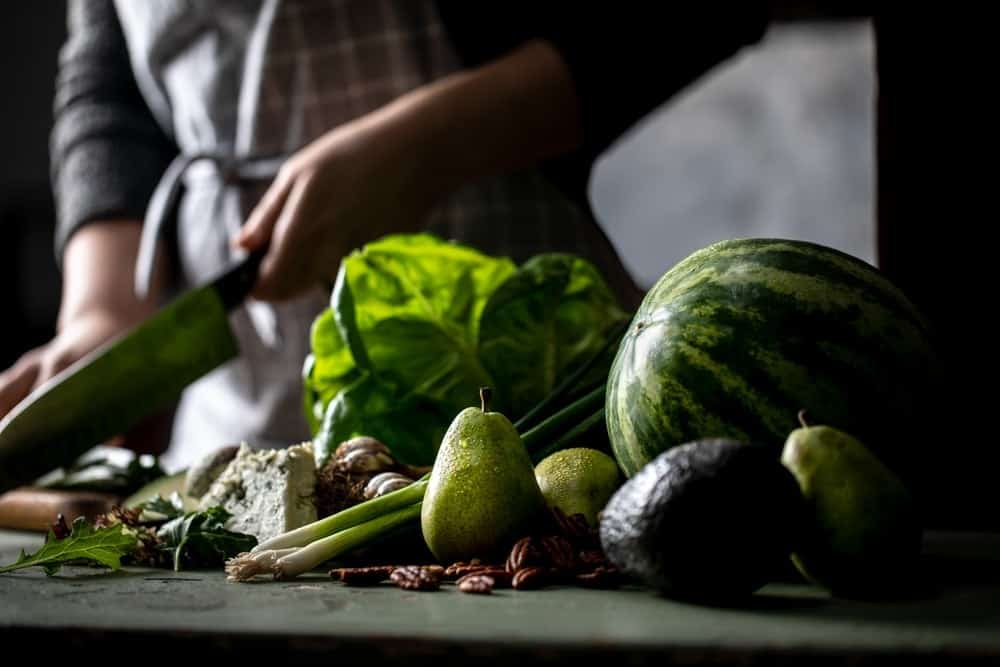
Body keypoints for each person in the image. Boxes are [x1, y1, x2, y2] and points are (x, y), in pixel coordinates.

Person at [1, 3, 994, 528]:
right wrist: (100, 303)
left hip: (542, 404)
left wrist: (432, 143)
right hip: (238, 434)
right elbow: (108, 76)